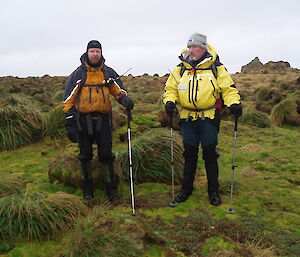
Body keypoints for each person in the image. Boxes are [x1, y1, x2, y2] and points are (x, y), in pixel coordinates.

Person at [163, 33, 242, 207]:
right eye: (189, 46)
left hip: (209, 118)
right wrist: (169, 101)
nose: (191, 50)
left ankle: (213, 191)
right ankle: (186, 190)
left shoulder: (216, 67)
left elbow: (228, 89)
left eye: (195, 47)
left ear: (203, 48)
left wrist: (234, 104)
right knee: (189, 155)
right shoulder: (180, 68)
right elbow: (170, 88)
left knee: (210, 155)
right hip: (187, 118)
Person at [63, 40, 134, 201]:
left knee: (106, 154)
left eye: (98, 52)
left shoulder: (108, 72)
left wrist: (125, 100)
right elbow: (68, 99)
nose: (95, 54)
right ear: (87, 53)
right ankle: (87, 190)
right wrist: (70, 121)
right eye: (92, 51)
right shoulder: (78, 74)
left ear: (101, 53)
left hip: (103, 120)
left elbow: (118, 91)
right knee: (85, 155)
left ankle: (111, 190)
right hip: (83, 120)